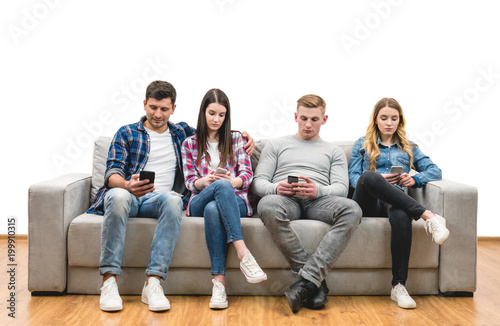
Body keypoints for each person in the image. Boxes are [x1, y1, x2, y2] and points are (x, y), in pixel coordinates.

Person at [87, 81, 254, 312]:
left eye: (164, 109)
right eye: (153, 107)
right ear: (144, 104)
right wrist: (127, 184)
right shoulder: (126, 132)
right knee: (116, 196)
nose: (158, 114)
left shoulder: (181, 134)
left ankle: (153, 282)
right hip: (128, 195)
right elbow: (111, 173)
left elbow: (213, 130)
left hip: (159, 201)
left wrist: (244, 136)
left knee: (174, 199)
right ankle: (109, 281)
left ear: (173, 109)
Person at [252, 94, 362, 313]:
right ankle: (313, 282)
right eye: (303, 118)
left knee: (353, 209)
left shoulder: (334, 151)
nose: (308, 124)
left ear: (324, 119)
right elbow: (258, 183)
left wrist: (318, 190)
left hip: (319, 202)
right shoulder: (276, 145)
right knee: (267, 205)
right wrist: (277, 188)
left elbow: (342, 188)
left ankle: (307, 282)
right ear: (295, 117)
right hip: (285, 199)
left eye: (314, 119)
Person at [348, 97, 450, 310]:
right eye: (384, 118)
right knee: (369, 176)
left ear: (399, 121)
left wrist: (414, 179)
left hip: (393, 201)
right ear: (375, 119)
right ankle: (428, 216)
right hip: (366, 202)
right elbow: (353, 179)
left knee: (402, 214)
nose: (389, 123)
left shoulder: (408, 147)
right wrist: (379, 179)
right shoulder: (362, 144)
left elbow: (435, 171)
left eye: (394, 118)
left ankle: (398, 286)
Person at [181, 88, 267, 310]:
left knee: (214, 208)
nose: (216, 119)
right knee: (215, 190)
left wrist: (232, 181)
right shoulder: (189, 143)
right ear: (203, 112)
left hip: (234, 198)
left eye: (221, 115)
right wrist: (205, 181)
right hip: (199, 198)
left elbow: (247, 176)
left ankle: (218, 284)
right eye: (211, 113)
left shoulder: (236, 139)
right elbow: (190, 181)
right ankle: (243, 253)